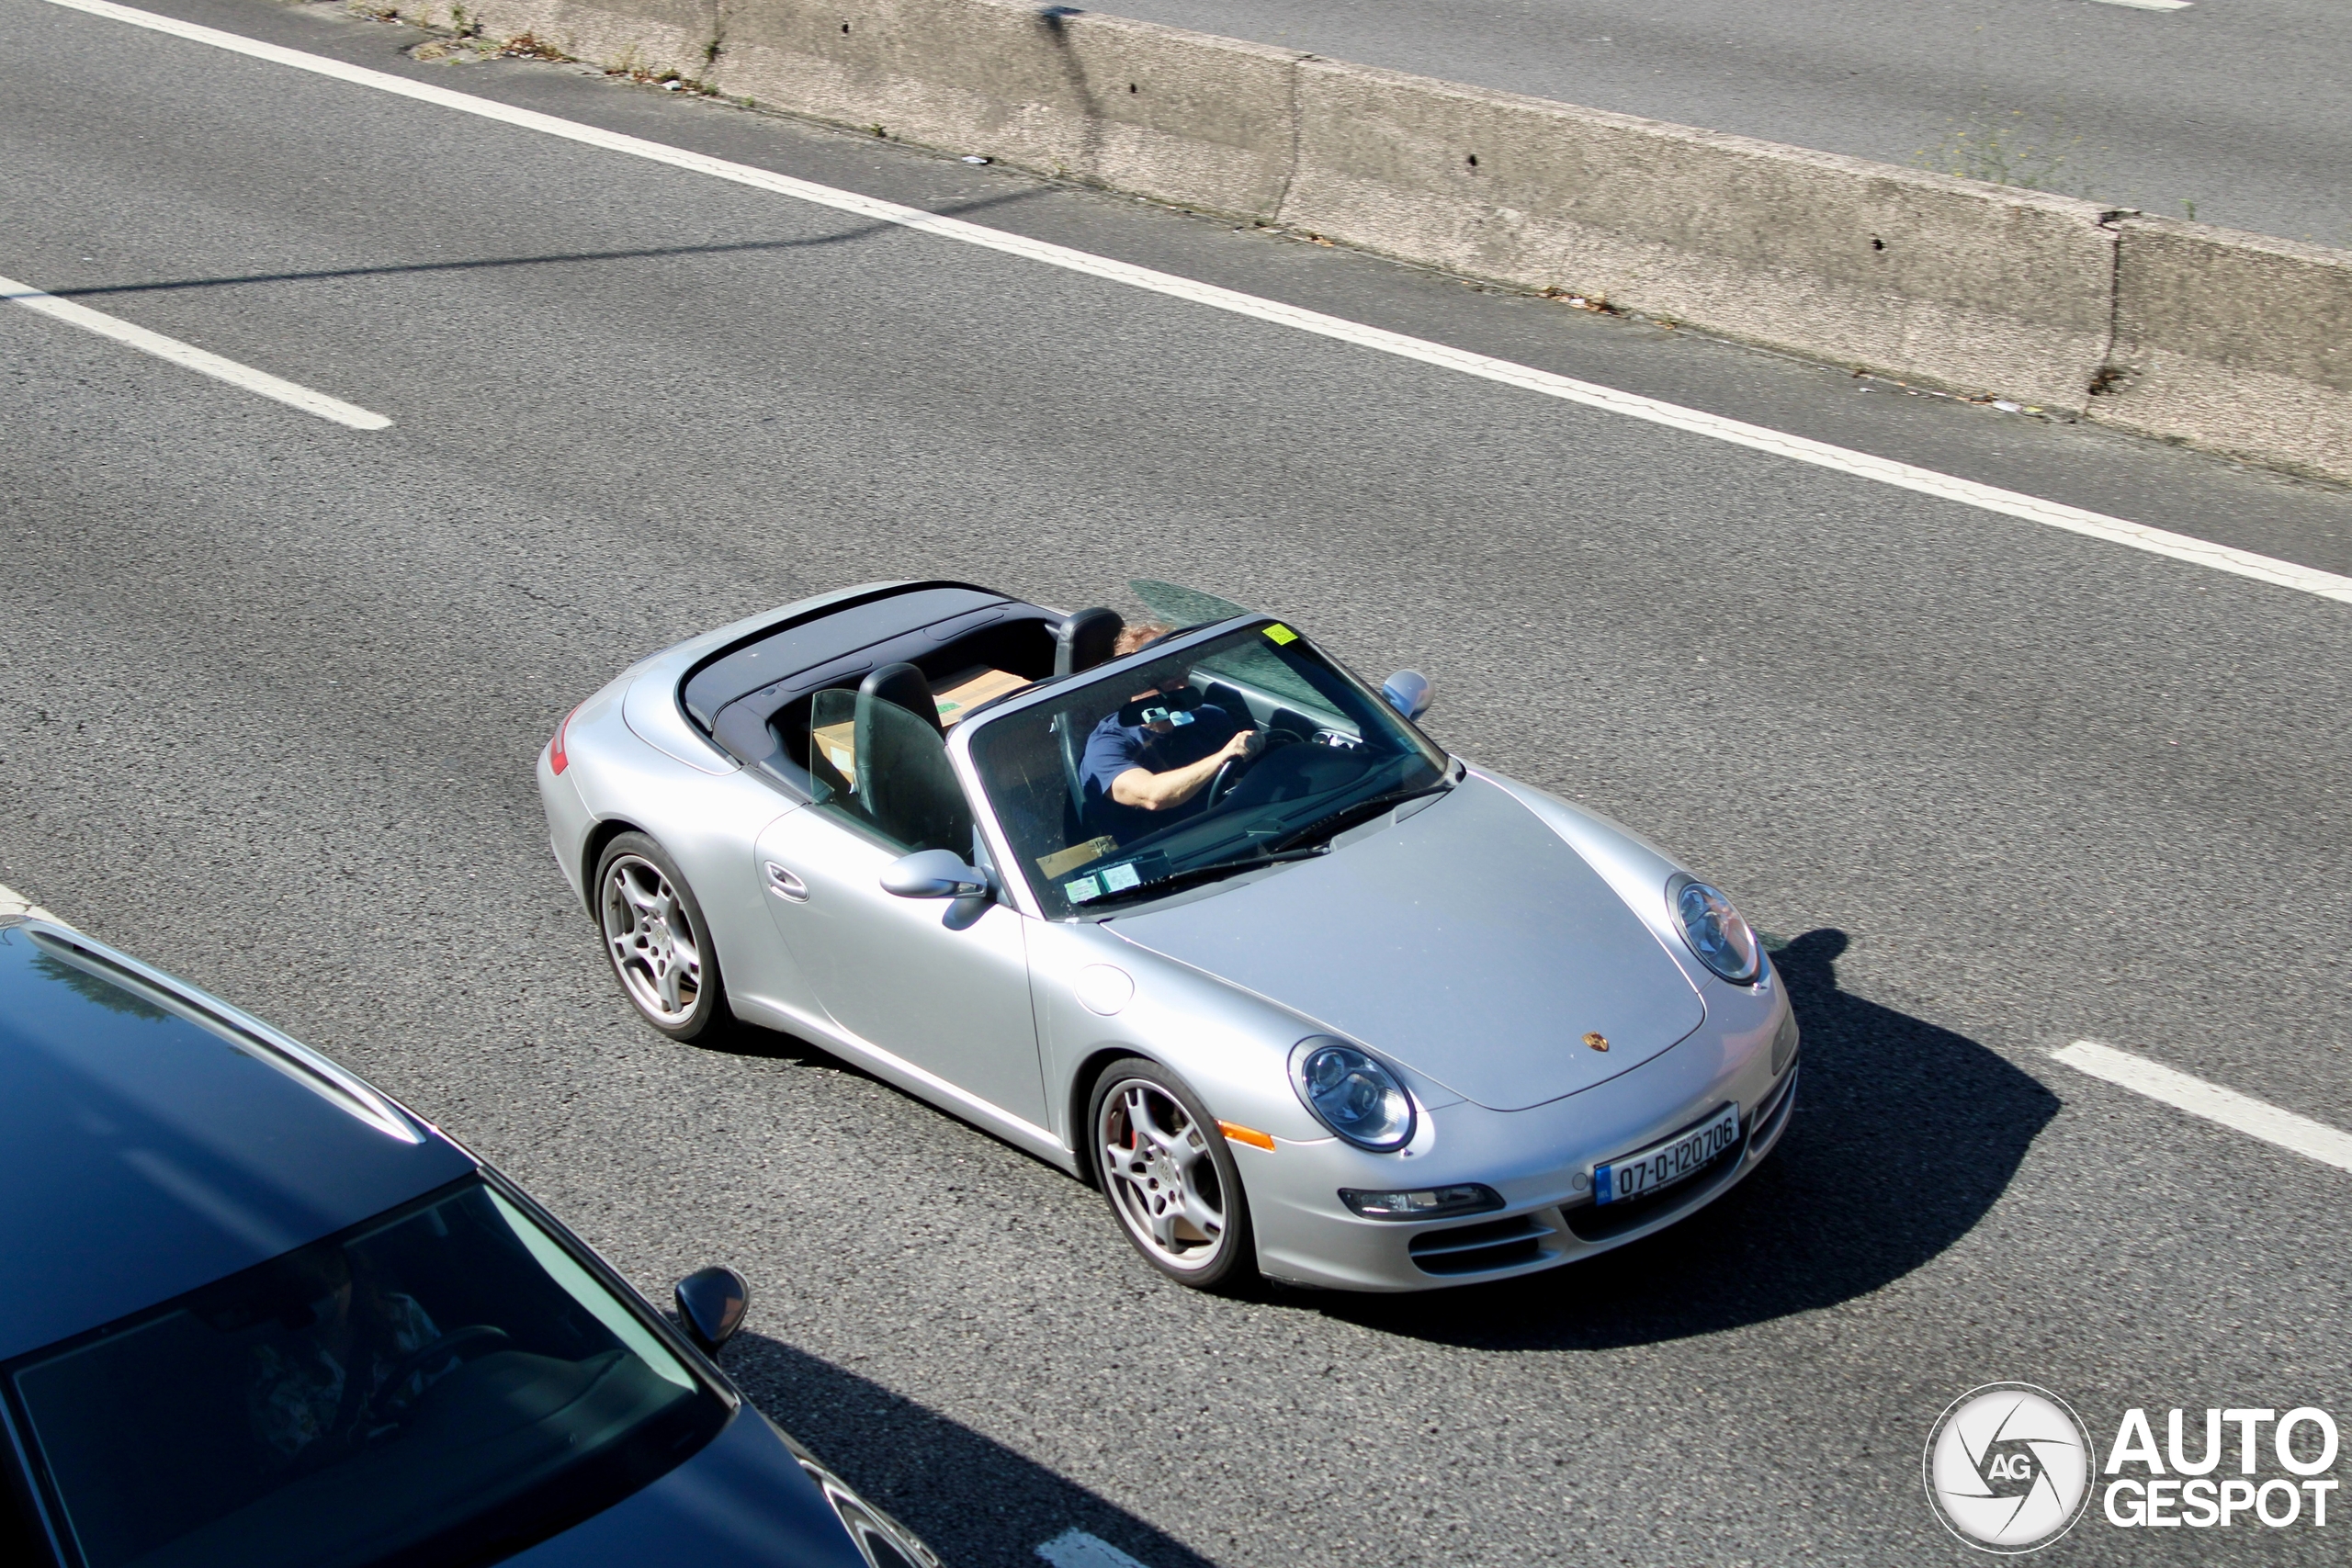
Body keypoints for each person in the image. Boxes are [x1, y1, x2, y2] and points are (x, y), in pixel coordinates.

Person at [246, 1247, 455, 1464]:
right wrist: (355, 1440)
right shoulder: (271, 1360)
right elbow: (298, 1458)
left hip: (440, 1454)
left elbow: (456, 1384)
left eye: (335, 1274)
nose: (334, 1294)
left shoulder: (400, 1313)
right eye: (312, 1288)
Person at [1079, 623, 1258, 844]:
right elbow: (1153, 796)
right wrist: (1223, 757)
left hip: (1229, 836)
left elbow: (1248, 783)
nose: (1183, 688)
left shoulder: (1211, 718)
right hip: (1159, 859)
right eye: (1169, 679)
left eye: (1183, 673)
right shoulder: (1107, 745)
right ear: (1132, 685)